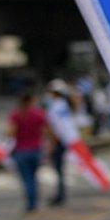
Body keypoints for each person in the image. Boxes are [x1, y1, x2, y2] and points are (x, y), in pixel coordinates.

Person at [5, 91, 47, 213]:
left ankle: (31, 203)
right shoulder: (38, 113)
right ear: (31, 100)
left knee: (27, 178)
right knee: (33, 177)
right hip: (36, 150)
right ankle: (34, 201)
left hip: (21, 151)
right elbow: (45, 131)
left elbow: (9, 133)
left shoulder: (16, 114)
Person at [45, 78, 74, 206]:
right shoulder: (63, 105)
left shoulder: (55, 107)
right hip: (65, 140)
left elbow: (55, 128)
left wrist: (51, 145)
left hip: (59, 142)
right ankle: (60, 194)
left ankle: (60, 195)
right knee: (60, 170)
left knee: (58, 169)